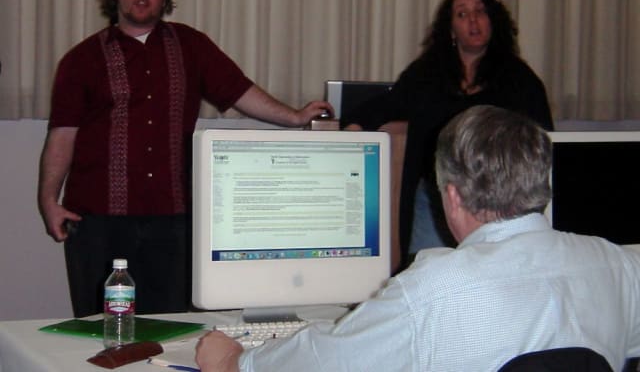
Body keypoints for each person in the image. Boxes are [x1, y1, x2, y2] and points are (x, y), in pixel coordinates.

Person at [195, 105, 640, 372]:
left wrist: (235, 361)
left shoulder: (434, 288)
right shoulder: (615, 264)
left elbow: (326, 361)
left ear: (452, 195)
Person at [37, 0, 334, 317]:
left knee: (171, 327)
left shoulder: (192, 46)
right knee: (102, 333)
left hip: (173, 222)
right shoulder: (81, 60)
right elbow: (63, 134)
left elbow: (240, 91)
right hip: (99, 222)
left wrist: (293, 117)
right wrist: (49, 199)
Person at [340, 0, 553, 265]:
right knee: (430, 273)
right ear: (451, 29)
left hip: (500, 198)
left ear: (493, 21)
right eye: (462, 14)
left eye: (480, 12)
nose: (473, 21)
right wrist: (354, 127)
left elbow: (542, 139)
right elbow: (382, 106)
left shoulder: (519, 78)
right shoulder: (427, 72)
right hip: (436, 197)